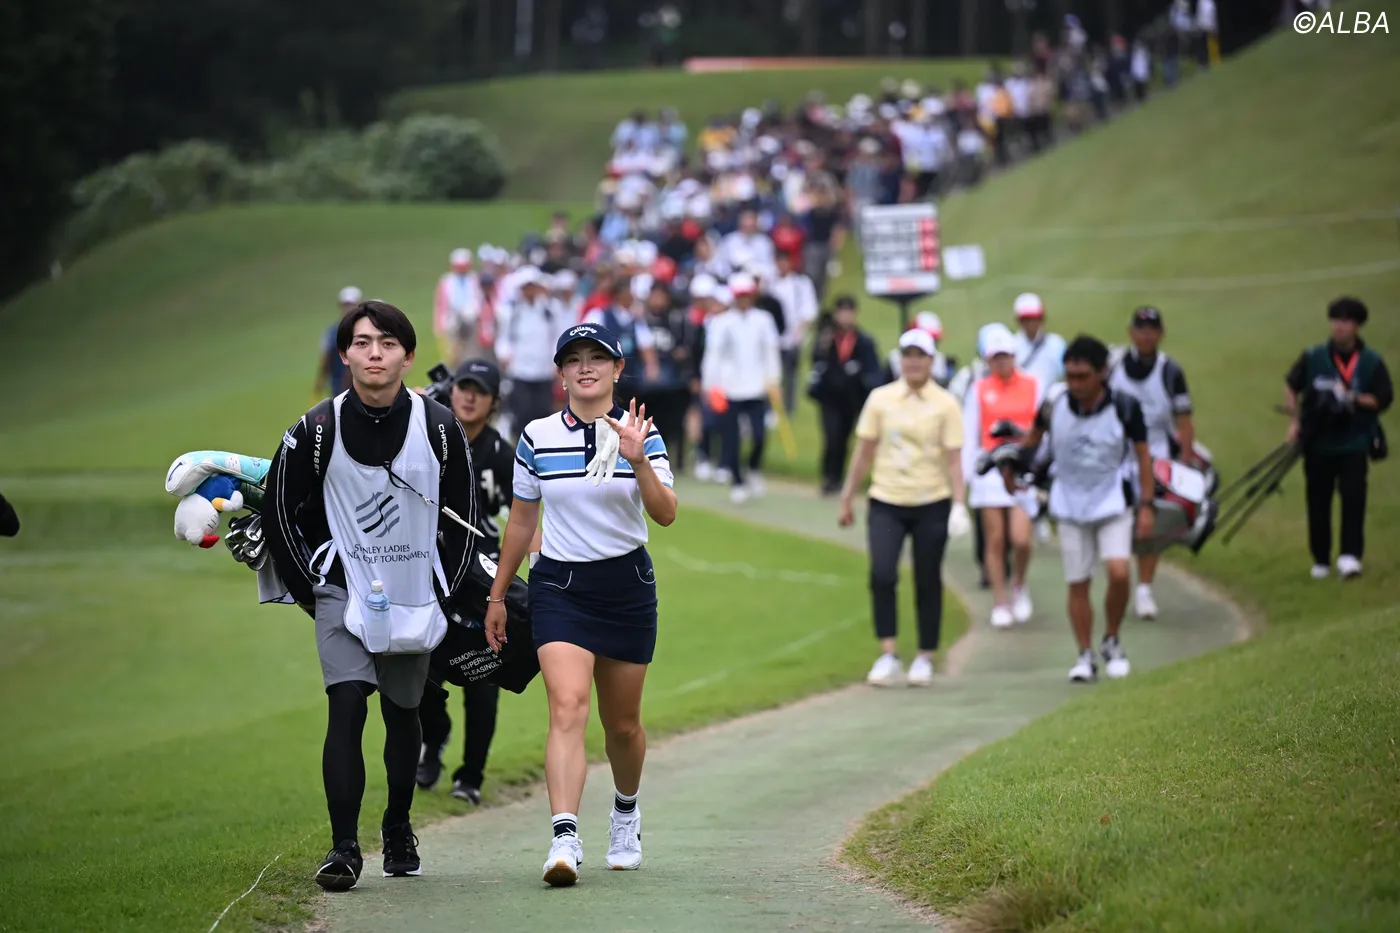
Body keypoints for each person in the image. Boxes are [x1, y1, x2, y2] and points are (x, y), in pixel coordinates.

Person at [264, 300, 480, 890]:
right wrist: (312, 589)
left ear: (408, 356)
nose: (375, 353)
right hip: (343, 587)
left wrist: (443, 591)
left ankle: (398, 826)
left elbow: (466, 518)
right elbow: (279, 510)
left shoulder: (440, 427)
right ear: (345, 355)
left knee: (403, 711)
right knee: (348, 702)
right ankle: (343, 848)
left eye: (387, 343)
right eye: (362, 343)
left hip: (416, 591)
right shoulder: (316, 428)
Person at [485, 322, 677, 887]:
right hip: (560, 588)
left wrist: (639, 459)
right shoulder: (537, 436)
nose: (585, 367)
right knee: (567, 707)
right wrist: (498, 594)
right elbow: (522, 524)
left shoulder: (643, 433)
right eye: (574, 359)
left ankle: (625, 812)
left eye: (598, 357)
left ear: (618, 369)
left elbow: (665, 513)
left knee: (623, 725)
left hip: (627, 587)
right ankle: (564, 838)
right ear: (561, 374)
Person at [1007, 335, 1153, 683]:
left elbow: (1144, 457)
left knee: (1119, 572)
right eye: (1070, 376)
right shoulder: (1054, 402)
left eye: (1083, 376)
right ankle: (1085, 654)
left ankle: (1112, 639)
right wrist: (1010, 463)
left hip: (1112, 501)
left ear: (1102, 373)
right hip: (1069, 504)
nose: (1075, 384)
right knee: (1078, 581)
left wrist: (1146, 505)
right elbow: (1032, 442)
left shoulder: (1125, 407)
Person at [839, 328, 970, 688]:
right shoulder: (881, 399)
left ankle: (925, 654)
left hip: (931, 501)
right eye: (908, 355)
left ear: (931, 360)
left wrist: (960, 503)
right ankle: (888, 654)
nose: (913, 362)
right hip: (887, 500)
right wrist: (848, 495)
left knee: (928, 578)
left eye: (920, 356)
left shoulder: (945, 404)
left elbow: (954, 458)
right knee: (882, 574)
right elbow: (864, 451)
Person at [416, 359, 514, 804]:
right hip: (427, 570)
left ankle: (470, 775)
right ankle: (434, 737)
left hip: (482, 579)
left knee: (483, 676)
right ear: (451, 391)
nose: (469, 396)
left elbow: (522, 519)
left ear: (493, 402)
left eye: (481, 390)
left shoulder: (502, 454)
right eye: (463, 387)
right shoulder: (426, 436)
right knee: (420, 669)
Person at [1283, 297, 1392, 580]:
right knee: (1317, 502)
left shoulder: (1371, 362)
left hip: (1354, 442)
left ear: (1357, 326)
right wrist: (1294, 422)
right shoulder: (1313, 356)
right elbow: (1292, 386)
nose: (1339, 326)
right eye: (1336, 320)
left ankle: (1349, 556)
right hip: (1318, 443)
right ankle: (1320, 559)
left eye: (1346, 321)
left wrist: (1352, 397)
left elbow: (1382, 399)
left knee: (1354, 499)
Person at [1108, 306, 1195, 620]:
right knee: (1116, 520)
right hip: (1118, 456)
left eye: (1152, 330)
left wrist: (1184, 463)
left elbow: (1184, 420)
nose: (1146, 335)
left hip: (1156, 457)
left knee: (1151, 524)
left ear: (1161, 334)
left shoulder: (1170, 371)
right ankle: (1118, 578)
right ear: (1131, 332)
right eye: (1141, 329)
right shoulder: (1114, 365)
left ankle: (1144, 588)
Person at [963, 328, 1042, 629]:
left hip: (1023, 467)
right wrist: (969, 473)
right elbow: (970, 430)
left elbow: (1042, 426)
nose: (1001, 362)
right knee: (994, 539)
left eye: (1005, 356)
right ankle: (1000, 601)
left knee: (1020, 539)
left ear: (1014, 356)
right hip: (990, 468)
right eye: (995, 358)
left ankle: (1018, 584)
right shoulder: (980, 388)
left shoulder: (1033, 384)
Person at [701, 273, 782, 504]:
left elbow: (771, 351)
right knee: (731, 438)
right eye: (740, 296)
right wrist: (709, 385)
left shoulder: (763, 320)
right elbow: (713, 356)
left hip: (757, 387)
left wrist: (774, 380)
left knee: (759, 435)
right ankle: (738, 481)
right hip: (729, 389)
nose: (744, 300)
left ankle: (753, 468)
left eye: (747, 296)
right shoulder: (721, 322)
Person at [496, 267, 567, 440]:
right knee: (522, 411)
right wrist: (505, 356)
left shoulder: (549, 309)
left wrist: (556, 361)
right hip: (520, 370)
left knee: (542, 410)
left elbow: (556, 336)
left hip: (543, 370)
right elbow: (504, 338)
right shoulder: (511, 311)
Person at [433, 249, 485, 368]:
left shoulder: (475, 279)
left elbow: (479, 300)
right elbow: (440, 304)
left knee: (471, 353)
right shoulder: (446, 281)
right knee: (452, 355)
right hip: (452, 321)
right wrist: (439, 325)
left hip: (471, 320)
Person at [314, 287, 361, 400]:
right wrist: (320, 380)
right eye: (345, 305)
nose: (348, 308)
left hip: (359, 382)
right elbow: (326, 357)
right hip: (337, 382)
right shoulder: (332, 332)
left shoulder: (363, 330)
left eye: (352, 304)